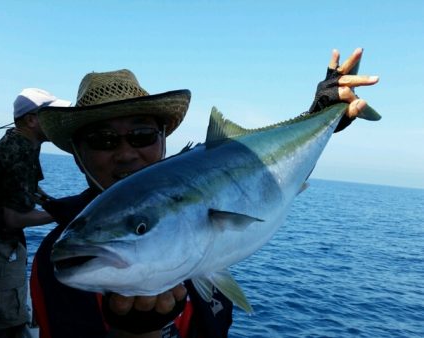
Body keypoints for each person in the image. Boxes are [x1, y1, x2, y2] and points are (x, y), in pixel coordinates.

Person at [30, 47, 379, 338]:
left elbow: (273, 174)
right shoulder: (66, 263)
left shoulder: (192, 210)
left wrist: (322, 114)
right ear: (78, 155)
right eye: (103, 141)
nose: (125, 153)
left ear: (163, 140)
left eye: (142, 136)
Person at [0, 88, 71, 338]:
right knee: (8, 325)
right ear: (31, 120)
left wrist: (52, 202)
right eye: (50, 115)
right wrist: (63, 214)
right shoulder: (21, 150)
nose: (56, 121)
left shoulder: (20, 140)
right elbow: (14, 218)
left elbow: (27, 186)